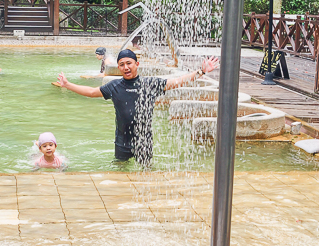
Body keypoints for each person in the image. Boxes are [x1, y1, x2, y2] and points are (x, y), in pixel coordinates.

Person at [54, 48, 219, 165]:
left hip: (144, 141)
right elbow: (91, 92)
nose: (125, 67)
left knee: (146, 174)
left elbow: (176, 82)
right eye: (121, 64)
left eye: (129, 63)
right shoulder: (115, 86)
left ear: (136, 64)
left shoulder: (149, 83)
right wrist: (68, 85)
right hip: (121, 141)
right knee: (119, 172)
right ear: (118, 67)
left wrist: (201, 72)